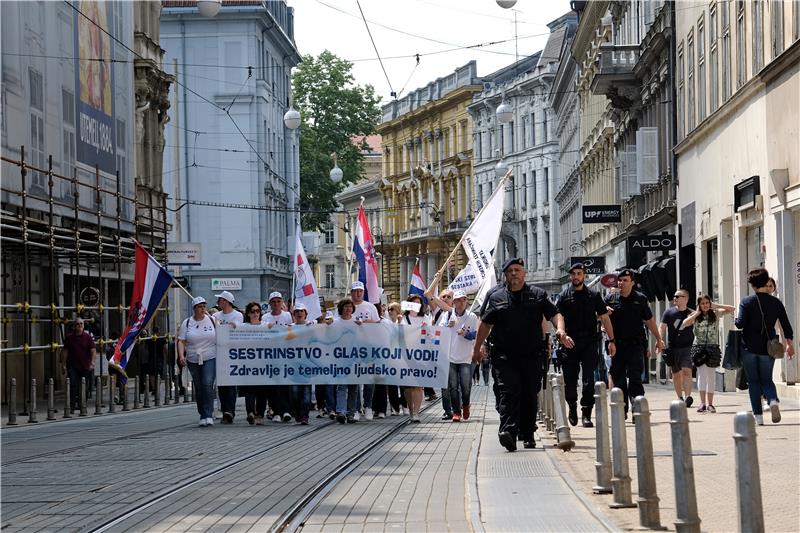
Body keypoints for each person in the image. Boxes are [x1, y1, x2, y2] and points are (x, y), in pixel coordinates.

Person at [472, 258, 564, 451]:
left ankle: (528, 433)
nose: (514, 273)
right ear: (505, 275)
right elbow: (485, 324)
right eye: (510, 271)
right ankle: (508, 432)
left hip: (532, 355)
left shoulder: (537, 294)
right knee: (509, 392)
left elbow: (554, 314)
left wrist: (560, 330)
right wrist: (477, 349)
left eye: (517, 270)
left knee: (529, 394)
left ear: (524, 273)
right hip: (504, 356)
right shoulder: (496, 297)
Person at [556, 262, 616, 428]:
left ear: (584, 276)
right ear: (570, 276)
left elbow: (605, 318)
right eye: (573, 274)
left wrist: (611, 340)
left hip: (589, 341)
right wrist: (562, 334)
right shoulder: (563, 296)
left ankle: (586, 413)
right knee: (570, 380)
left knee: (589, 379)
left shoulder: (594, 296)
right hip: (570, 342)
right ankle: (573, 407)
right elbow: (558, 317)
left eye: (579, 273)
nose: (576, 276)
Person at [734, 268, 795, 425]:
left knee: (754, 382)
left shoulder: (746, 302)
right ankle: (773, 401)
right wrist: (790, 344)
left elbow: (740, 324)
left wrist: (736, 318)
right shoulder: (776, 303)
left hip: (749, 347)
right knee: (767, 380)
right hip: (768, 347)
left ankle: (758, 417)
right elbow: (786, 326)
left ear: (753, 285)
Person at [604, 269, 664, 417]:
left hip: (636, 345)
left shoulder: (640, 298)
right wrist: (603, 312)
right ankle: (622, 409)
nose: (621, 283)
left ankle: (637, 409)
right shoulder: (610, 298)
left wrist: (658, 338)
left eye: (625, 280)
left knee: (635, 378)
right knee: (618, 379)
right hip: (616, 345)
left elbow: (649, 320)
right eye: (620, 280)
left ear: (632, 283)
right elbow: (599, 317)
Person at [680, 295, 735, 413]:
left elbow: (732, 309)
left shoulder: (715, 314)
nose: (705, 305)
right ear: (699, 305)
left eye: (707, 303)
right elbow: (684, 323)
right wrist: (696, 313)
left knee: (711, 376)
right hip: (698, 349)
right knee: (701, 375)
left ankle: (710, 404)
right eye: (702, 303)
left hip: (712, 348)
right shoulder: (694, 316)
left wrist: (717, 306)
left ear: (710, 303)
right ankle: (702, 403)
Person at [438, 289, 478, 422]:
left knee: (465, 385)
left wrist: (465, 334)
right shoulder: (448, 315)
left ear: (466, 301)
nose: (461, 302)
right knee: (453, 386)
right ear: (454, 302)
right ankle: (456, 411)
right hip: (450, 356)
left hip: (465, 357)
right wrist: (448, 327)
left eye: (464, 300)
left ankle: (465, 404)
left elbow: (474, 335)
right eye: (458, 300)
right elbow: (439, 332)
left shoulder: (471, 316)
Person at [177, 297, 217, 427]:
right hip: (193, 357)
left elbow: (222, 333)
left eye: (204, 306)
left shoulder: (212, 320)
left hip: (210, 355)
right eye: (199, 307)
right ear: (194, 308)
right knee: (199, 387)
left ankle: (208, 413)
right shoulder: (187, 323)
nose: (202, 309)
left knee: (207, 383)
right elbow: (181, 340)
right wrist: (181, 355)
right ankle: (203, 414)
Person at [348, 281, 380, 420]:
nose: (358, 293)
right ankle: (356, 408)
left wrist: (365, 324)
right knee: (355, 378)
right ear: (351, 293)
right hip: (351, 348)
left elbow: (378, 326)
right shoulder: (346, 306)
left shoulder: (370, 307)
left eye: (360, 291)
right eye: (355, 291)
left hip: (368, 347)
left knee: (369, 379)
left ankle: (368, 406)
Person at [659, 289, 696, 407]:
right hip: (673, 347)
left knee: (687, 370)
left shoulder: (692, 313)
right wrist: (660, 340)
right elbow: (662, 327)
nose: (675, 298)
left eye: (678, 296)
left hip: (688, 347)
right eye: (674, 296)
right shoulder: (668, 313)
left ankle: (688, 396)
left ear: (686, 298)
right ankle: (679, 397)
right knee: (675, 374)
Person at [212, 290, 244, 423]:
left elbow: (234, 327)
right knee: (222, 384)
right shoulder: (215, 315)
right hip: (219, 353)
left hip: (232, 353)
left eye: (220, 299)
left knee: (230, 383)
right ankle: (224, 409)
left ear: (226, 301)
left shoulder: (237, 315)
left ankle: (229, 411)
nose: (218, 302)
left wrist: (223, 325)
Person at [262, 291, 294, 423]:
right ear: (270, 304)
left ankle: (286, 410)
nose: (276, 304)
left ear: (282, 303)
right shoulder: (265, 318)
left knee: (285, 384)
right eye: (273, 302)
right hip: (271, 355)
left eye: (278, 301)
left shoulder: (287, 316)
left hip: (285, 354)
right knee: (274, 385)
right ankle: (275, 411)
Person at [426, 281, 455, 419]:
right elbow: (427, 293)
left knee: (457, 384)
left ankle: (458, 406)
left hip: (455, 353)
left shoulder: (455, 312)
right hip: (441, 353)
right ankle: (448, 410)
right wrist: (437, 279)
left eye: (448, 297)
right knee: (445, 384)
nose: (444, 299)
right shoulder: (437, 313)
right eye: (443, 296)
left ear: (453, 300)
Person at [333, 297, 362, 423]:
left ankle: (351, 412)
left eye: (350, 306)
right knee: (341, 386)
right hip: (340, 358)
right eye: (345, 306)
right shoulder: (335, 322)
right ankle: (341, 411)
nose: (348, 309)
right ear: (341, 309)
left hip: (354, 358)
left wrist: (362, 326)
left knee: (353, 387)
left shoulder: (357, 322)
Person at [402, 294, 429, 422]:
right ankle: (411, 410)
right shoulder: (403, 318)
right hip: (407, 355)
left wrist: (426, 330)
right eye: (413, 303)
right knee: (408, 386)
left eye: (418, 303)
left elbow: (432, 334)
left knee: (418, 385)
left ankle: (417, 412)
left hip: (421, 355)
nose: (416, 305)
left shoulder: (425, 318)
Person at [241, 302, 269, 425]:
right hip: (249, 363)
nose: (255, 313)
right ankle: (250, 412)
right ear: (248, 313)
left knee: (262, 390)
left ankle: (260, 414)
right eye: (252, 311)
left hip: (263, 363)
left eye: (257, 311)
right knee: (250, 389)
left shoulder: (265, 325)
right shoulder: (244, 326)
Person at [61, 318, 96, 412]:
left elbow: (93, 350)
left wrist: (92, 362)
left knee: (83, 387)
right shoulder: (69, 337)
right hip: (72, 366)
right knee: (72, 385)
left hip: (85, 366)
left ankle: (82, 406)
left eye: (81, 324)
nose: (80, 325)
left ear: (84, 326)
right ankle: (71, 407)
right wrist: (63, 364)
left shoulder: (87, 337)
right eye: (77, 324)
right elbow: (65, 351)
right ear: (74, 326)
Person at [384, 302, 405, 416]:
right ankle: (394, 407)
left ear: (398, 310)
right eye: (389, 309)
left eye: (392, 309)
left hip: (401, 357)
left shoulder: (403, 322)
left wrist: (400, 323)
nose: (390, 311)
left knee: (403, 383)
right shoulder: (386, 323)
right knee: (391, 384)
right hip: (389, 357)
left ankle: (405, 405)